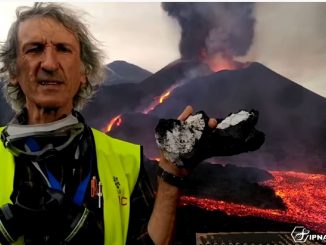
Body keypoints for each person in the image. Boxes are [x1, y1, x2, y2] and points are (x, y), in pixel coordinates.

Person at [0, 3, 218, 245]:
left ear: (84, 73)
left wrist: (170, 179)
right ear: (13, 71)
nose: (50, 64)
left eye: (63, 49)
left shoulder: (127, 161)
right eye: (34, 49)